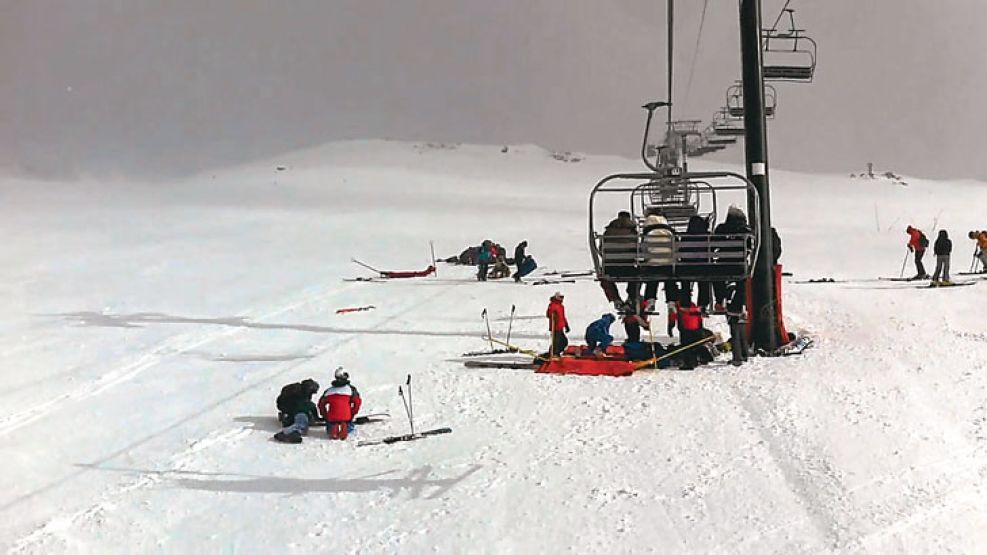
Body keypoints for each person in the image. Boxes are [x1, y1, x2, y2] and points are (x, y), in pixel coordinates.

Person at [712, 206, 753, 311]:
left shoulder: (721, 228)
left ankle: (720, 301)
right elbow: (750, 248)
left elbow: (712, 246)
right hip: (739, 266)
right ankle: (740, 303)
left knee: (716, 276)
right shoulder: (746, 230)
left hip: (722, 266)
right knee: (743, 279)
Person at [599, 211, 640, 309]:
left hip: (610, 267)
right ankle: (632, 296)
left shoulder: (607, 232)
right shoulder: (633, 232)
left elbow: (601, 249)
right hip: (628, 268)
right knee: (638, 275)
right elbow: (637, 251)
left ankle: (616, 298)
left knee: (604, 278)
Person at [679, 215, 713, 313]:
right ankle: (703, 303)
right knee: (704, 281)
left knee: (685, 279)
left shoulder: (685, 237)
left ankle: (685, 302)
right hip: (703, 268)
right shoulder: (707, 236)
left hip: (687, 268)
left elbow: (681, 252)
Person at [318, 367, 362, 440]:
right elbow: (357, 402)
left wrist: (325, 416)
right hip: (346, 415)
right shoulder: (351, 389)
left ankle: (333, 427)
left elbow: (321, 404)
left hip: (332, 416)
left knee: (330, 424)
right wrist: (353, 413)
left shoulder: (329, 391)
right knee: (350, 425)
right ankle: (345, 427)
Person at [273, 378, 320, 444]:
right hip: (291, 408)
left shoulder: (297, 389)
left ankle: (286, 418)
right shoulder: (301, 395)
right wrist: (315, 417)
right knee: (302, 419)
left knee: (300, 414)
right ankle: (288, 433)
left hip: (285, 407)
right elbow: (309, 406)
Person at [676, 292, 705, 370]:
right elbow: (699, 316)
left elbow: (674, 316)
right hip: (696, 328)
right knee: (693, 346)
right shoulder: (693, 305)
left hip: (686, 329)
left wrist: (671, 326)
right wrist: (701, 327)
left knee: (686, 347)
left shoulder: (678, 305)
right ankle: (694, 361)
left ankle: (688, 363)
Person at [546, 291, 570, 357]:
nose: (562, 299)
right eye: (561, 297)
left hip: (560, 327)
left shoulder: (561, 306)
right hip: (555, 327)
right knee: (557, 342)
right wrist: (552, 315)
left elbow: (563, 317)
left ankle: (556, 352)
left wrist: (566, 325)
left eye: (563, 297)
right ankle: (555, 354)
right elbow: (548, 314)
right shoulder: (552, 305)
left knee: (564, 341)